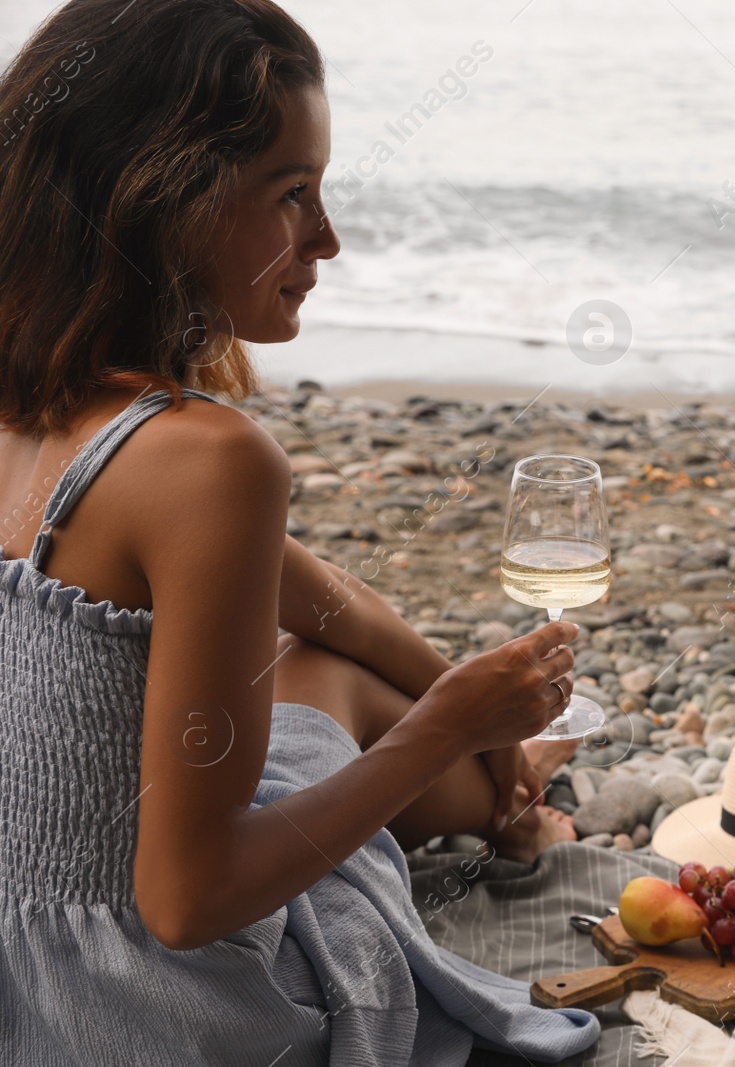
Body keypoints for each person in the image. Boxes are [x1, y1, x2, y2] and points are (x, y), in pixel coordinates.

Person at [0, 1, 601, 1062]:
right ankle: (514, 808)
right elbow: (190, 904)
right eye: (292, 193)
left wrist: (483, 714)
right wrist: (451, 722)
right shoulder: (206, 460)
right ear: (163, 197)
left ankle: (513, 789)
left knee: (321, 670)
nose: (326, 238)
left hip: (22, 962)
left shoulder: (43, 404)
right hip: (144, 1013)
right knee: (336, 703)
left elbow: (317, 596)